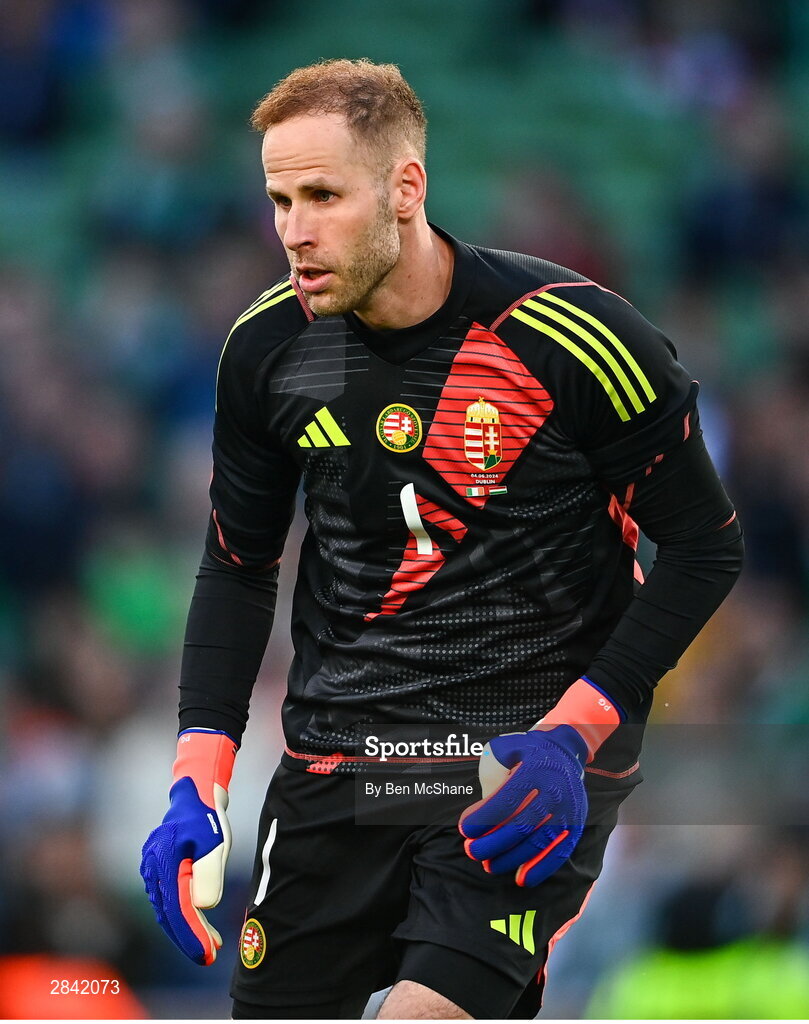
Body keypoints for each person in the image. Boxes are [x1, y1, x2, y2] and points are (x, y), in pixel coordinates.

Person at [139, 58, 744, 1020]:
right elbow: (236, 563)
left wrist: (572, 735)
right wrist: (196, 780)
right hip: (343, 759)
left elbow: (705, 550)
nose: (294, 230)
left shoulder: (569, 336)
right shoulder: (268, 350)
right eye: (280, 199)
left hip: (517, 759)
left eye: (324, 196)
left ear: (405, 188)